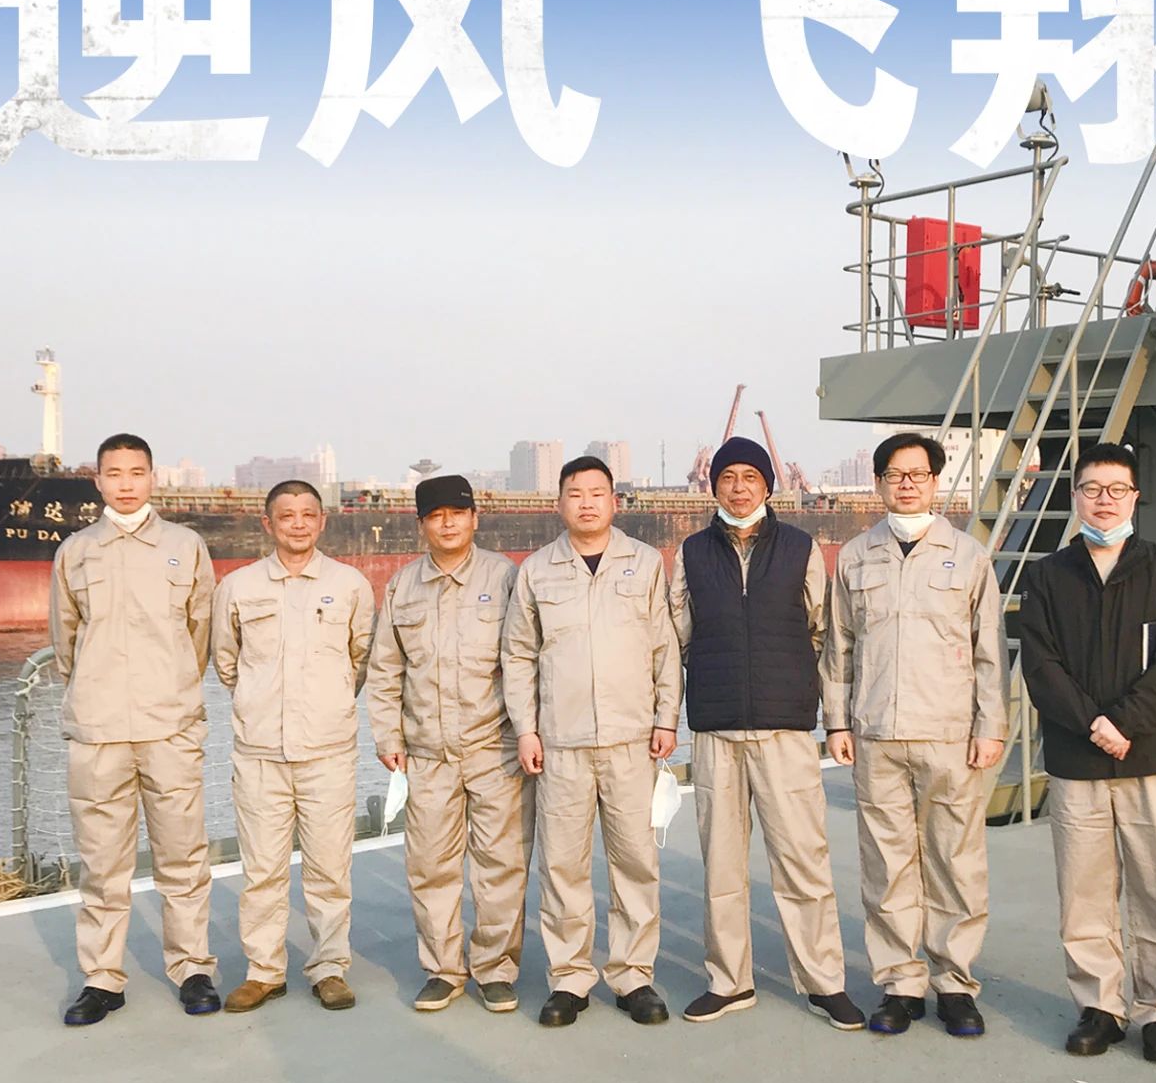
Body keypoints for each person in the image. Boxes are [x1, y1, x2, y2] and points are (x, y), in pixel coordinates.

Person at [668, 436, 864, 1029]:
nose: (739, 487)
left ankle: (824, 982)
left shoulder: (801, 548)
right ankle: (729, 982)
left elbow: (822, 633)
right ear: (714, 486)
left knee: (803, 860)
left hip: (785, 730)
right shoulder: (692, 553)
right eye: (728, 477)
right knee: (722, 866)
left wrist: (821, 706)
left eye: (750, 476)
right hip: (717, 729)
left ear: (768, 486)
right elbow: (678, 635)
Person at [1018, 442, 1156, 1063]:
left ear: (1134, 497)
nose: (1104, 500)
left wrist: (1124, 723)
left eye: (1117, 489)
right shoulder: (1048, 575)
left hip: (1151, 754)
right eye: (1092, 489)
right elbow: (1040, 664)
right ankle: (1100, 1006)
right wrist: (1093, 724)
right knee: (1084, 890)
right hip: (1079, 757)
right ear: (1075, 497)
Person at [824, 431, 1009, 1037]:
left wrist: (991, 727)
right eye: (895, 475)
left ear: (935, 481)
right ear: (879, 484)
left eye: (918, 474)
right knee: (886, 864)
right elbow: (838, 647)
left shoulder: (969, 556)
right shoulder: (856, 558)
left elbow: (990, 651)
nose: (907, 484)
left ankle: (955, 984)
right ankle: (901, 984)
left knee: (955, 861)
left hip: (950, 734)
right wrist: (837, 722)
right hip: (877, 733)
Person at [501, 455, 681, 1027]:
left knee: (636, 862)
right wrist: (526, 729)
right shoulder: (537, 571)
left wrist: (667, 718)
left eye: (597, 493)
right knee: (563, 865)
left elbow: (664, 647)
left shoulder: (644, 563)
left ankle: (633, 977)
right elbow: (518, 655)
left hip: (632, 739)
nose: (586, 503)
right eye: (575, 494)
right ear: (559, 504)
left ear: (614, 502)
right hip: (562, 743)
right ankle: (570, 978)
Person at [49, 432, 221, 1026]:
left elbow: (200, 632)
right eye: (114, 473)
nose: (125, 484)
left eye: (136, 472)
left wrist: (172, 688)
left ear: (153, 478)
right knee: (102, 864)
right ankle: (102, 978)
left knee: (183, 856)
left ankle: (193, 969)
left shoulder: (185, 546)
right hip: (98, 730)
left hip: (169, 726)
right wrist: (95, 692)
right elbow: (66, 641)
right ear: (97, 480)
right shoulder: (75, 552)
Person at [367, 474, 534, 1013]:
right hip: (427, 754)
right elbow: (385, 669)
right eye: (436, 516)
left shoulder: (505, 578)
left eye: (457, 514)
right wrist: (388, 736)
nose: (447, 524)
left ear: (474, 518)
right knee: (430, 867)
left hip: (495, 750)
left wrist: (528, 731)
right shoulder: (402, 587)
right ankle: (443, 969)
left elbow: (525, 660)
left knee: (501, 866)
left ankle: (495, 969)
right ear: (421, 525)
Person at [212, 480, 374, 1013]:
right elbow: (227, 662)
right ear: (268, 523)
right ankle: (264, 972)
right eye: (287, 515)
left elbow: (359, 658)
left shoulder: (350, 585)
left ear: (322, 521)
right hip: (260, 752)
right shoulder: (238, 587)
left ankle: (329, 968)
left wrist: (325, 703)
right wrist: (260, 702)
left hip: (328, 751)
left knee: (330, 869)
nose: (298, 524)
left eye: (308, 514)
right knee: (262, 870)